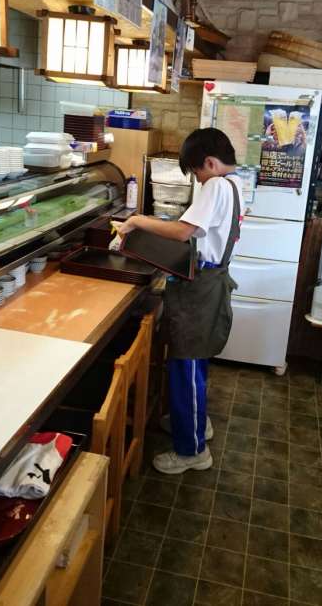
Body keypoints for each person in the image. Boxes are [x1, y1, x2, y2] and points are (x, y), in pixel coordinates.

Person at [119, 128, 244, 475]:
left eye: (196, 172)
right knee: (195, 362)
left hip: (201, 289)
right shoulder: (235, 184)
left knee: (185, 366)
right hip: (211, 283)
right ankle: (194, 424)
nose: (197, 180)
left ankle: (192, 451)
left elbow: (183, 231)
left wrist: (137, 221)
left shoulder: (216, 185)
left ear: (210, 163)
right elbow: (197, 231)